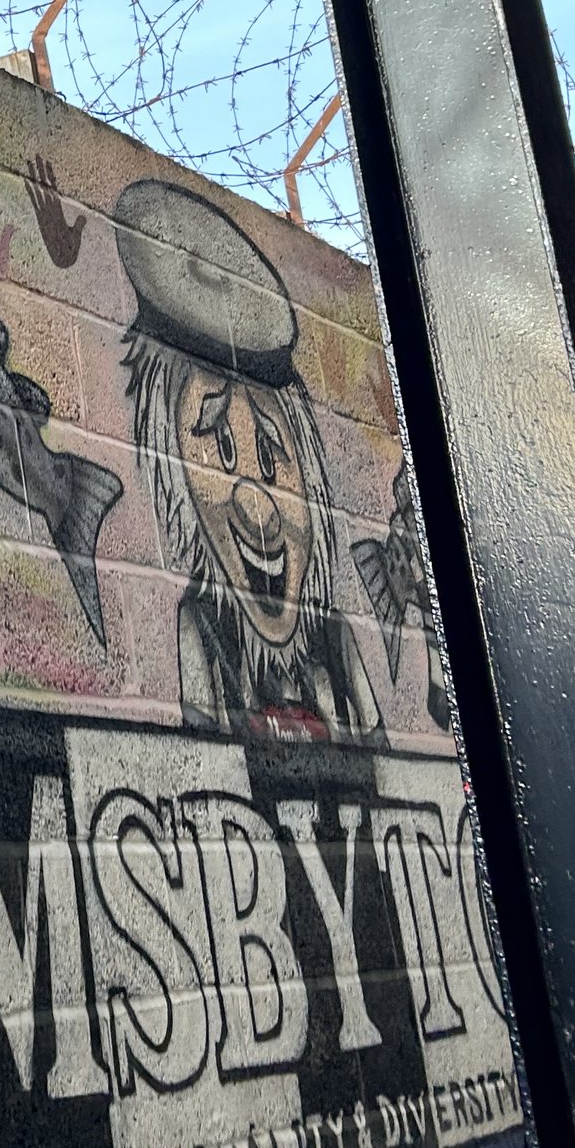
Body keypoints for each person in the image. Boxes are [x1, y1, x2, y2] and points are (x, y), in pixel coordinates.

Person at [111, 179, 381, 744]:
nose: (257, 504)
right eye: (219, 451)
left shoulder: (337, 643)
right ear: (177, 480)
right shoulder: (201, 631)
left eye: (271, 455)